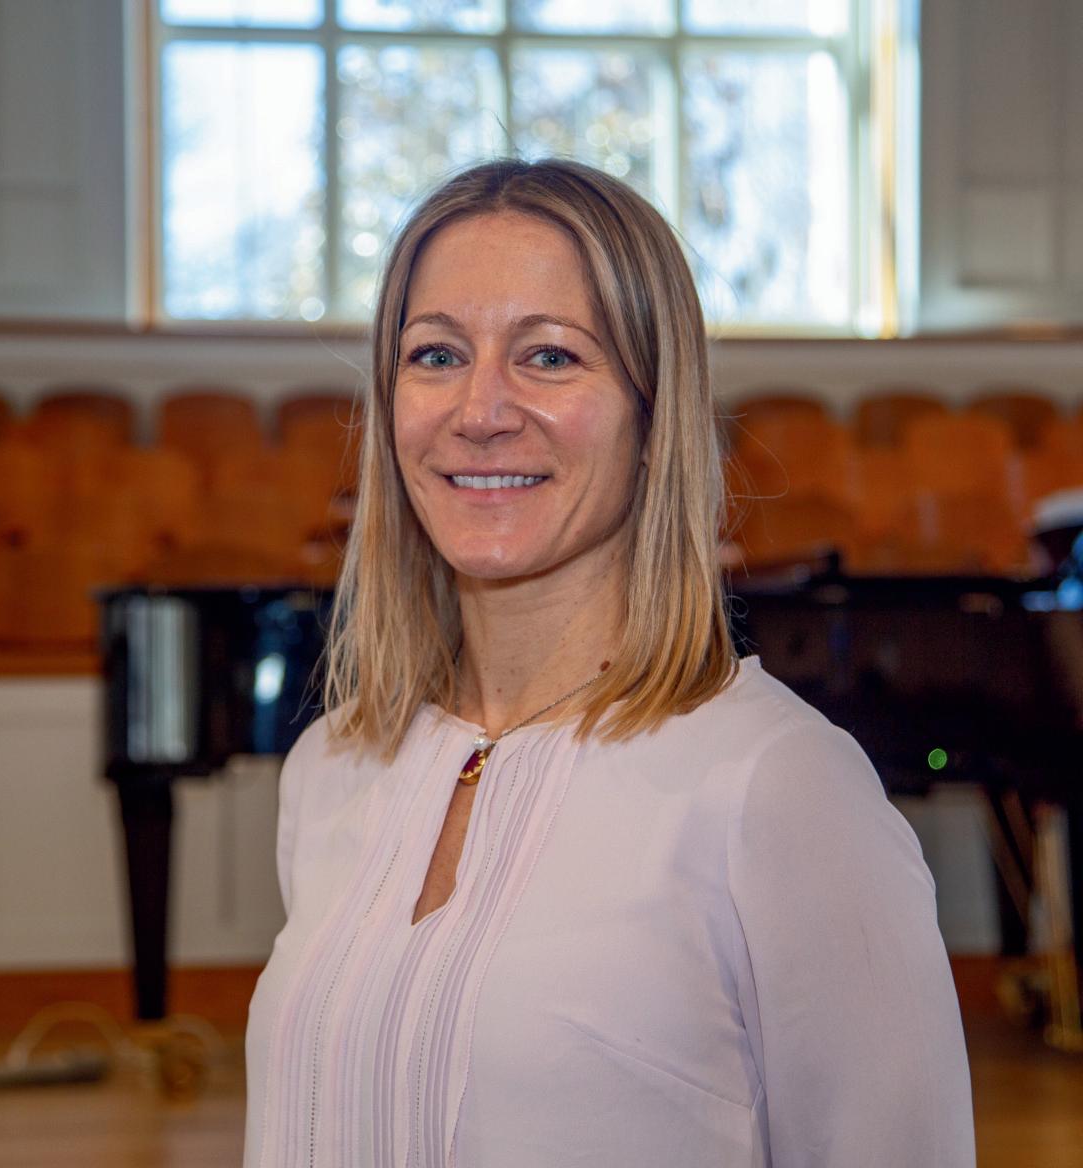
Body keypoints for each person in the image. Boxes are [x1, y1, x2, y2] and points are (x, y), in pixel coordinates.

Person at [244, 158, 975, 1167]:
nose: (480, 410)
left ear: (651, 414)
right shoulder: (332, 767)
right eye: (435, 354)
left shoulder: (780, 784)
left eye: (549, 356)